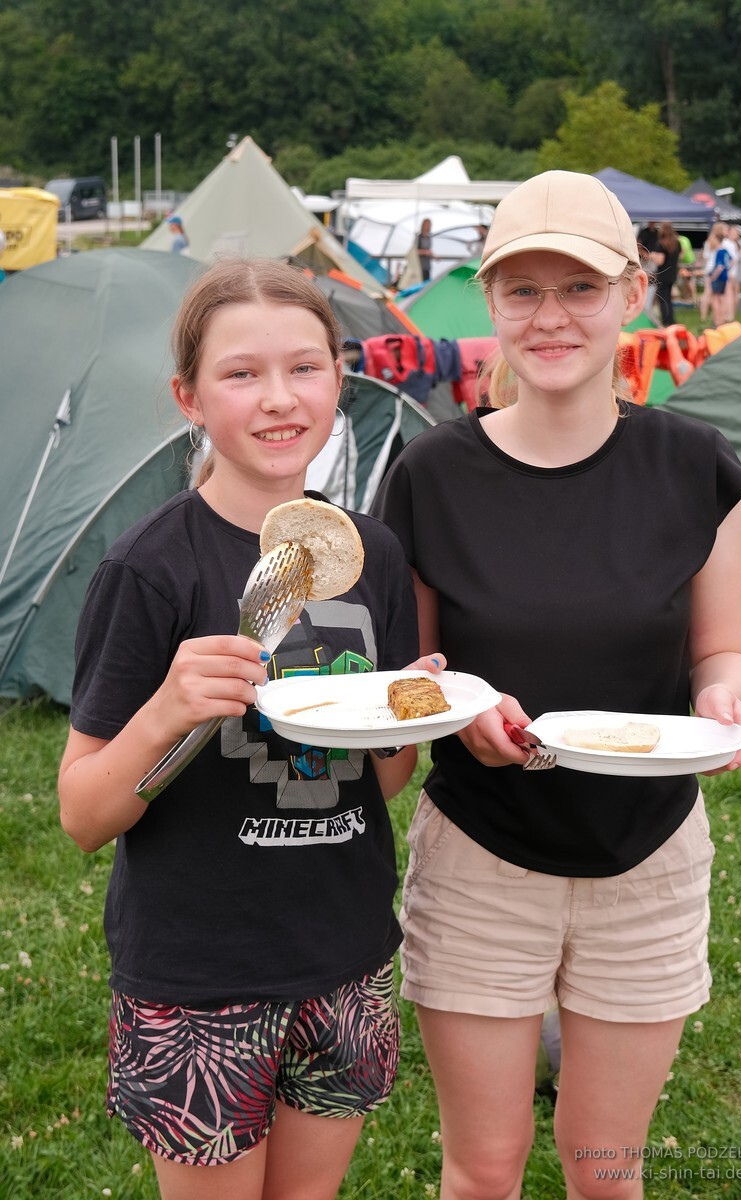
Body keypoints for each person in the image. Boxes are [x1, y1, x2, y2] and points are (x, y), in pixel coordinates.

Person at [373, 169, 741, 1200]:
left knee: (603, 1168)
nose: (550, 318)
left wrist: (724, 700)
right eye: (522, 291)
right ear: (488, 301)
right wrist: (458, 715)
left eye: (579, 288)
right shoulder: (429, 478)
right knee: (483, 1169)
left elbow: (721, 650)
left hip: (649, 859)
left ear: (631, 294)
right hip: (481, 858)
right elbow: (414, 680)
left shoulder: (693, 467)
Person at [58, 258, 443, 1200]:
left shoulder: (373, 556)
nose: (279, 399)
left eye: (305, 368)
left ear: (340, 380)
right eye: (241, 374)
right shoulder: (153, 570)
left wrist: (404, 718)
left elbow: (378, 784)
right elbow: (82, 813)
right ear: (189, 396)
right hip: (199, 972)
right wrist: (164, 714)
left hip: (346, 952)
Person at [650, 221, 681, 326]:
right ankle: (671, 319)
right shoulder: (677, 242)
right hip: (672, 274)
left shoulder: (661, 243)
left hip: (663, 274)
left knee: (663, 299)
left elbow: (660, 261)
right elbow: (680, 255)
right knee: (669, 298)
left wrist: (652, 255)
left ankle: (666, 319)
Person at [709, 232, 733, 328]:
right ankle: (722, 319)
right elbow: (731, 261)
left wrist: (713, 276)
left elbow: (719, 266)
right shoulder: (725, 251)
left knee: (715, 298)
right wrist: (728, 270)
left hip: (718, 277)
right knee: (722, 298)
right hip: (724, 277)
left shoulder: (719, 251)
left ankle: (717, 319)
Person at [416, 217, 435, 281]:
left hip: (427, 266)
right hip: (419, 266)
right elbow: (415, 251)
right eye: (426, 224)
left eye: (429, 224)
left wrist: (433, 255)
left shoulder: (429, 237)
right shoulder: (419, 237)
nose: (428, 226)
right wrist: (425, 252)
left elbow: (428, 250)